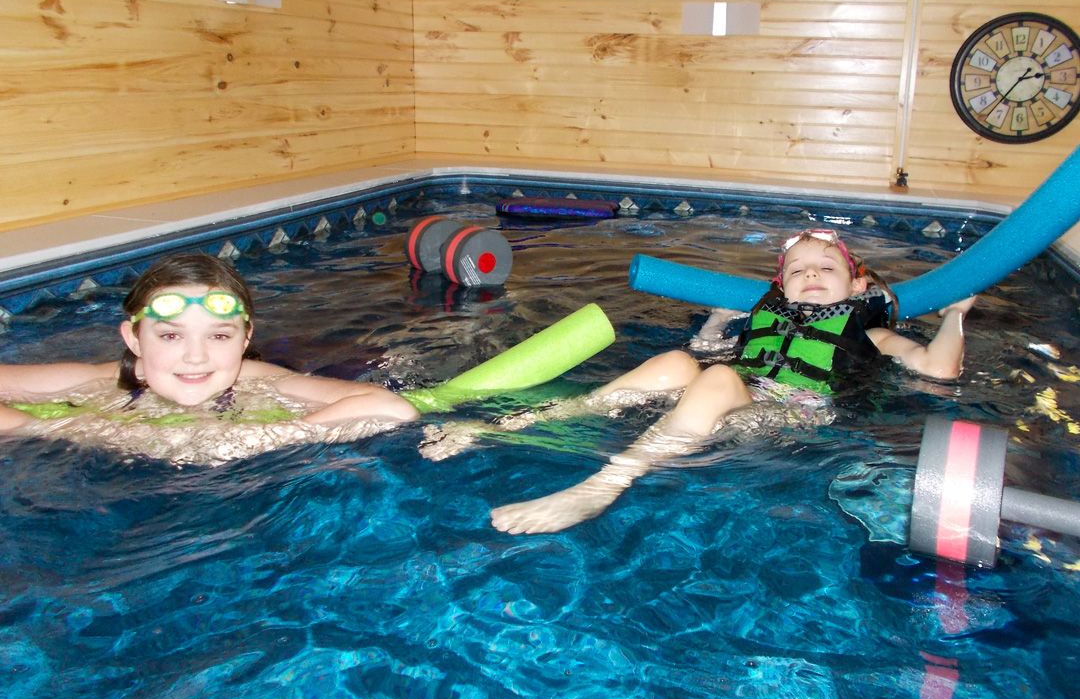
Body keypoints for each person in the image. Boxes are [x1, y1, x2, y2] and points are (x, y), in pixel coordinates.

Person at [483, 228, 976, 534]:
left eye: (827, 267)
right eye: (798, 270)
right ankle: (527, 420)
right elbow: (708, 355)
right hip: (732, 397)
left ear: (858, 287)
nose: (812, 275)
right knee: (678, 361)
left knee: (716, 378)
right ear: (780, 287)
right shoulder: (764, 321)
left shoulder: (870, 333)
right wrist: (719, 322)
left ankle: (605, 484)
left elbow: (938, 368)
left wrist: (955, 316)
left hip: (790, 417)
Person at [0, 253, 418, 463]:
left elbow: (389, 406)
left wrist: (257, 439)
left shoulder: (260, 381)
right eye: (169, 335)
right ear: (134, 339)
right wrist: (73, 428)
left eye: (219, 335)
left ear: (244, 338)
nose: (195, 357)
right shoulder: (99, 382)